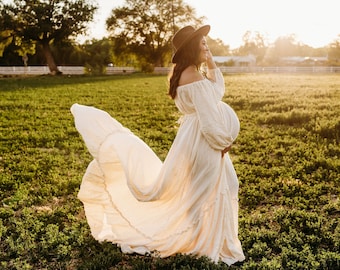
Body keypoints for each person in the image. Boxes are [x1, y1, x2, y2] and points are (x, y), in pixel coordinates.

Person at [70, 25, 245, 265]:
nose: (207, 47)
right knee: (208, 191)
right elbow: (208, 119)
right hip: (203, 142)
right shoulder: (192, 75)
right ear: (193, 48)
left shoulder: (186, 72)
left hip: (194, 139)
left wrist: (212, 63)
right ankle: (205, 242)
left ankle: (207, 238)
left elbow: (214, 96)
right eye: (203, 43)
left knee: (210, 189)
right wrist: (223, 142)